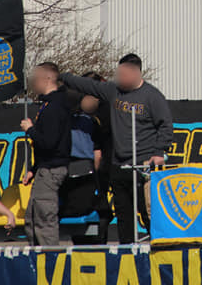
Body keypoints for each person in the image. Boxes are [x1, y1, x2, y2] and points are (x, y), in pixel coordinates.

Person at [61, 53, 173, 244]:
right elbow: (89, 86)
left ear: (137, 73)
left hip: (143, 163)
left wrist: (158, 152)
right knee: (123, 213)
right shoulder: (114, 90)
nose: (121, 78)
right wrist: (64, 76)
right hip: (118, 164)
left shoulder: (152, 96)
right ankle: (127, 250)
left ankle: (159, 245)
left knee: (148, 211)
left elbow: (166, 125)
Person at [20, 62, 71, 247]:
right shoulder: (49, 104)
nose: (34, 83)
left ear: (48, 79)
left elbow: (49, 143)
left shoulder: (55, 107)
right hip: (44, 168)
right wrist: (34, 168)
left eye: (37, 78)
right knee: (32, 217)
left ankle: (50, 261)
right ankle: (37, 258)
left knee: (43, 219)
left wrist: (31, 129)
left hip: (52, 170)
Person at [60, 91, 110, 243]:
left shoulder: (61, 122)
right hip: (86, 169)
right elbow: (97, 153)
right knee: (99, 207)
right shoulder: (91, 121)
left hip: (66, 170)